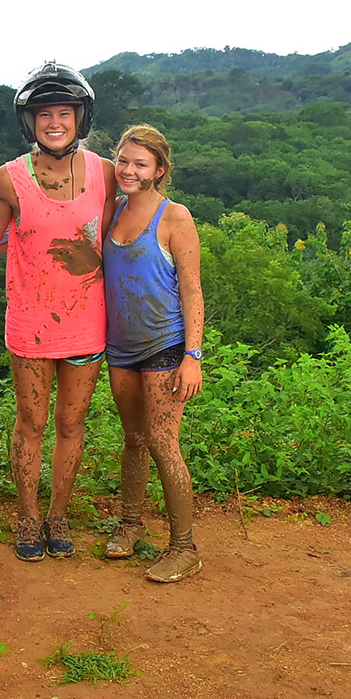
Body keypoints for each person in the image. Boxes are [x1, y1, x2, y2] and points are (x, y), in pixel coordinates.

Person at [0, 63, 117, 562]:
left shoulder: (104, 172)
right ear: (30, 122)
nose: (54, 122)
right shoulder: (10, 178)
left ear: (80, 118)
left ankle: (58, 514)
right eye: (44, 114)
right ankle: (26, 514)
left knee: (72, 423)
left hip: (88, 324)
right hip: (32, 324)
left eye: (65, 112)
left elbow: (110, 239)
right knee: (31, 421)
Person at [101, 124, 205, 582]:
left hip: (165, 345)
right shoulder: (113, 212)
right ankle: (129, 525)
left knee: (164, 442)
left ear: (159, 169)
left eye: (140, 163)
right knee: (135, 439)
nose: (127, 169)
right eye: (123, 160)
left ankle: (185, 547)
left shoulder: (173, 217)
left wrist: (193, 355)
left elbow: (192, 290)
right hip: (120, 349)